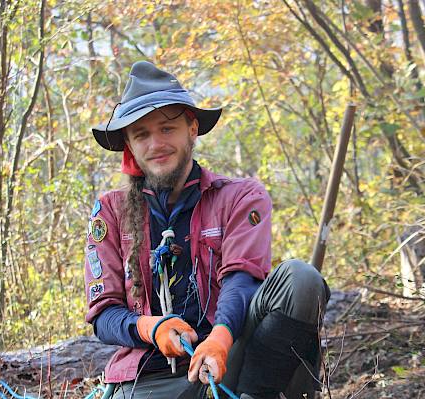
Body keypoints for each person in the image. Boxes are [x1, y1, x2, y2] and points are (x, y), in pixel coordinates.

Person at [85, 60, 330, 399]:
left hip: (233, 361)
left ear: (192, 129)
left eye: (167, 128)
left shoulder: (239, 196)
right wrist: (152, 328)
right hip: (148, 378)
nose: (156, 144)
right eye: (141, 134)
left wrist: (220, 338)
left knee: (301, 280)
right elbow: (104, 314)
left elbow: (241, 279)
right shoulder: (111, 212)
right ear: (129, 145)